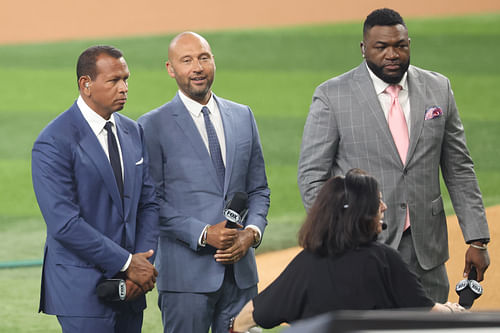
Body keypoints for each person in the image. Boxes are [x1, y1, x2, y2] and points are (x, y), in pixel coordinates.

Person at [297, 8, 490, 302]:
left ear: (409, 44)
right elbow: (312, 179)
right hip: (361, 247)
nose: (392, 54)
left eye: (400, 45)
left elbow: (459, 167)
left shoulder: (438, 88)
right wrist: (344, 234)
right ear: (363, 49)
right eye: (381, 47)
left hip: (427, 250)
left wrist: (477, 239)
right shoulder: (332, 96)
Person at [138, 31, 270, 333]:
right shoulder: (152, 126)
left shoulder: (242, 116)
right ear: (171, 69)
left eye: (204, 57)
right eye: (187, 60)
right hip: (185, 281)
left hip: (242, 276)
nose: (197, 67)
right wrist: (202, 233)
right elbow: (149, 202)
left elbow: (259, 188)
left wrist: (251, 234)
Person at [231, 169, 465, 332]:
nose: (383, 207)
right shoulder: (385, 261)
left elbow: (247, 317)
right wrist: (454, 311)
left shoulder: (306, 263)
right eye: (378, 202)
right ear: (360, 213)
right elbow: (427, 313)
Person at [31, 45, 159, 333]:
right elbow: (64, 223)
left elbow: (149, 203)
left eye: (126, 79)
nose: (124, 88)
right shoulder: (54, 141)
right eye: (114, 80)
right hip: (82, 293)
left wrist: (142, 263)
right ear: (85, 84)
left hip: (132, 288)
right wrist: (128, 263)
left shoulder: (133, 131)